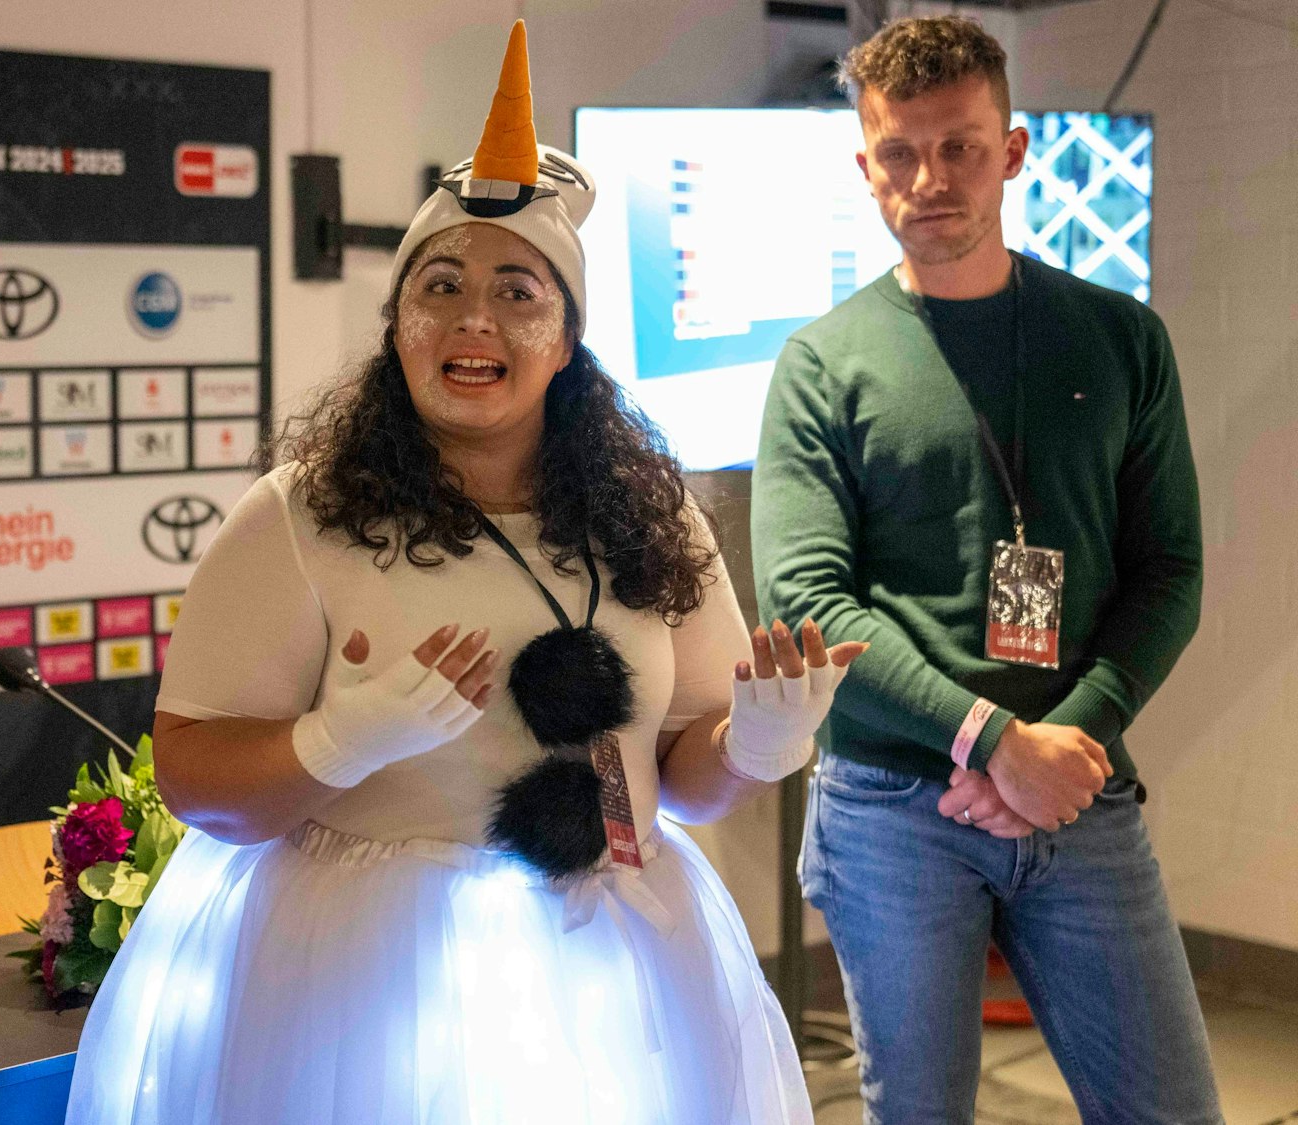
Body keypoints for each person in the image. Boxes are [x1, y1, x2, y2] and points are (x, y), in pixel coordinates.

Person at [64, 24, 862, 1125]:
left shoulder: (649, 514)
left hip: (613, 970)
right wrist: (336, 742)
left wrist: (758, 746)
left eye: (518, 292)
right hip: (357, 990)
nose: (472, 318)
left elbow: (684, 775)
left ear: (568, 339)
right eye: (437, 285)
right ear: (395, 324)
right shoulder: (301, 516)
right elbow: (194, 776)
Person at [751, 16, 1220, 1124]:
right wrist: (992, 743)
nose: (929, 177)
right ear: (862, 166)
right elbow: (805, 602)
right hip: (889, 806)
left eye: (958, 145)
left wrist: (1071, 739)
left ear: (1010, 152)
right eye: (899, 152)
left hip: (1076, 783)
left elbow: (1171, 569)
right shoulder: (821, 364)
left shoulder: (1117, 339)